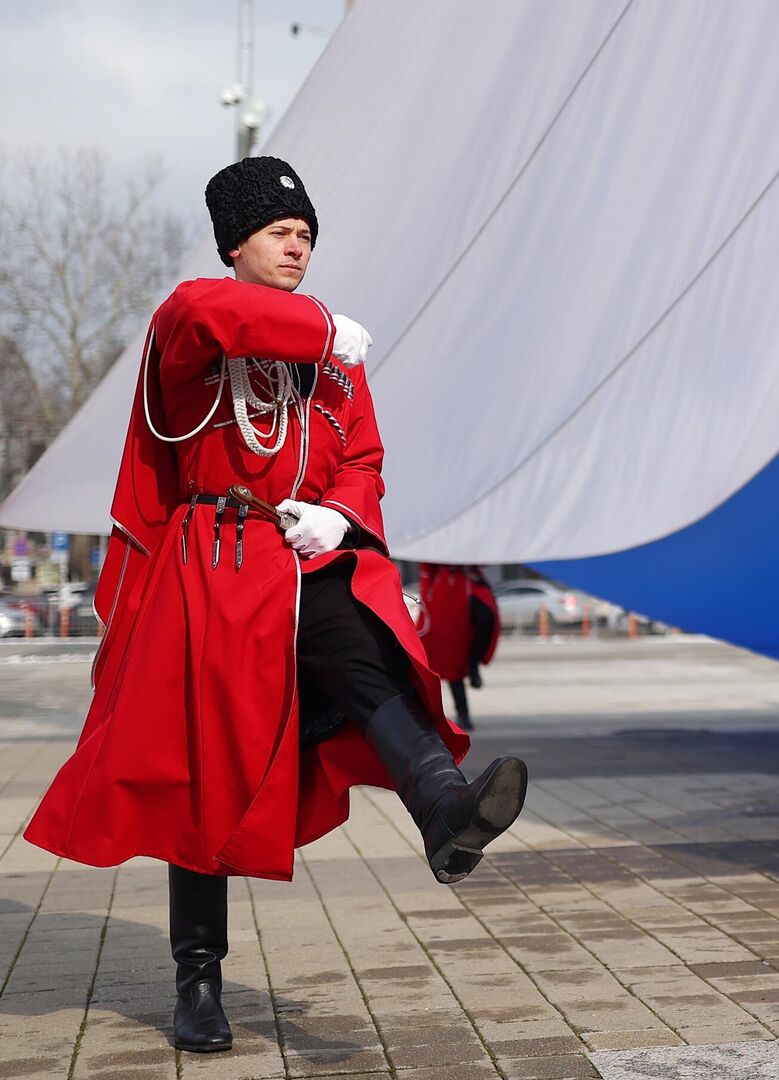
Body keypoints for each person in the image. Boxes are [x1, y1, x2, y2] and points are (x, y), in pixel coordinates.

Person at [22, 157, 528, 1054]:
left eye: (307, 235)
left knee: (368, 651)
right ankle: (199, 979)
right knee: (199, 770)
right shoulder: (198, 320)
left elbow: (365, 455)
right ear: (235, 244)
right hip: (208, 570)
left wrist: (337, 511)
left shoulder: (335, 362)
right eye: (281, 232)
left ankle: (444, 807)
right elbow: (206, 313)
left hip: (300, 562)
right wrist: (321, 324)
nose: (299, 243)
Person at [418, 563, 501, 730]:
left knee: (487, 616)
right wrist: (426, 594)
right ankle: (460, 713)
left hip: (470, 583)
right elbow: (426, 564)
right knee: (451, 660)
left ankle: (473, 662)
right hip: (446, 590)